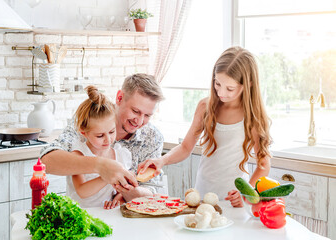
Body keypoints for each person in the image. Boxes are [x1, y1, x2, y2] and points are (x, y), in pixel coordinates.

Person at [138, 46, 272, 207]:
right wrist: (161, 160)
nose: (221, 92)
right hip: (202, 193)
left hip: (234, 199)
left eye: (230, 88)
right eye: (217, 84)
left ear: (248, 84)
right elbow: (186, 147)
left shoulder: (253, 116)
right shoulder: (205, 107)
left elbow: (263, 165)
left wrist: (246, 192)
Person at [40, 73, 165, 201]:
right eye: (135, 111)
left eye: (147, 115)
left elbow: (151, 190)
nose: (139, 121)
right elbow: (47, 161)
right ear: (120, 98)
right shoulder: (91, 117)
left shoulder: (152, 137)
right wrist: (101, 166)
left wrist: (126, 192)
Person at [68, 85, 131, 209]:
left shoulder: (120, 155)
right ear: (83, 132)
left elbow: (121, 188)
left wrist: (119, 197)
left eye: (112, 132)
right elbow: (82, 191)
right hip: (80, 216)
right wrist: (108, 174)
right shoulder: (79, 155)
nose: (108, 140)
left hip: (107, 216)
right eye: (100, 135)